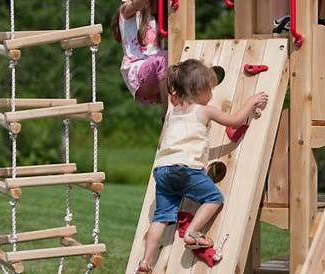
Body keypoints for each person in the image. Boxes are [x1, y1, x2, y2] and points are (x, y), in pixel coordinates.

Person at [134, 59, 269, 273]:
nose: (212, 95)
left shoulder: (172, 112)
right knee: (214, 198)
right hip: (186, 167)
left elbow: (162, 142)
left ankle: (145, 261)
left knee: (160, 218)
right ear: (200, 90)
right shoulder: (204, 111)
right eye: (210, 90)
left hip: (162, 169)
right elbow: (234, 121)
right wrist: (251, 102)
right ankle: (193, 232)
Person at [112, 0, 168, 115]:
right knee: (165, 58)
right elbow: (137, 4)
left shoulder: (156, 18)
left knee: (179, 62)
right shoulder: (127, 12)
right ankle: (168, 113)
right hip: (138, 72)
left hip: (157, 74)